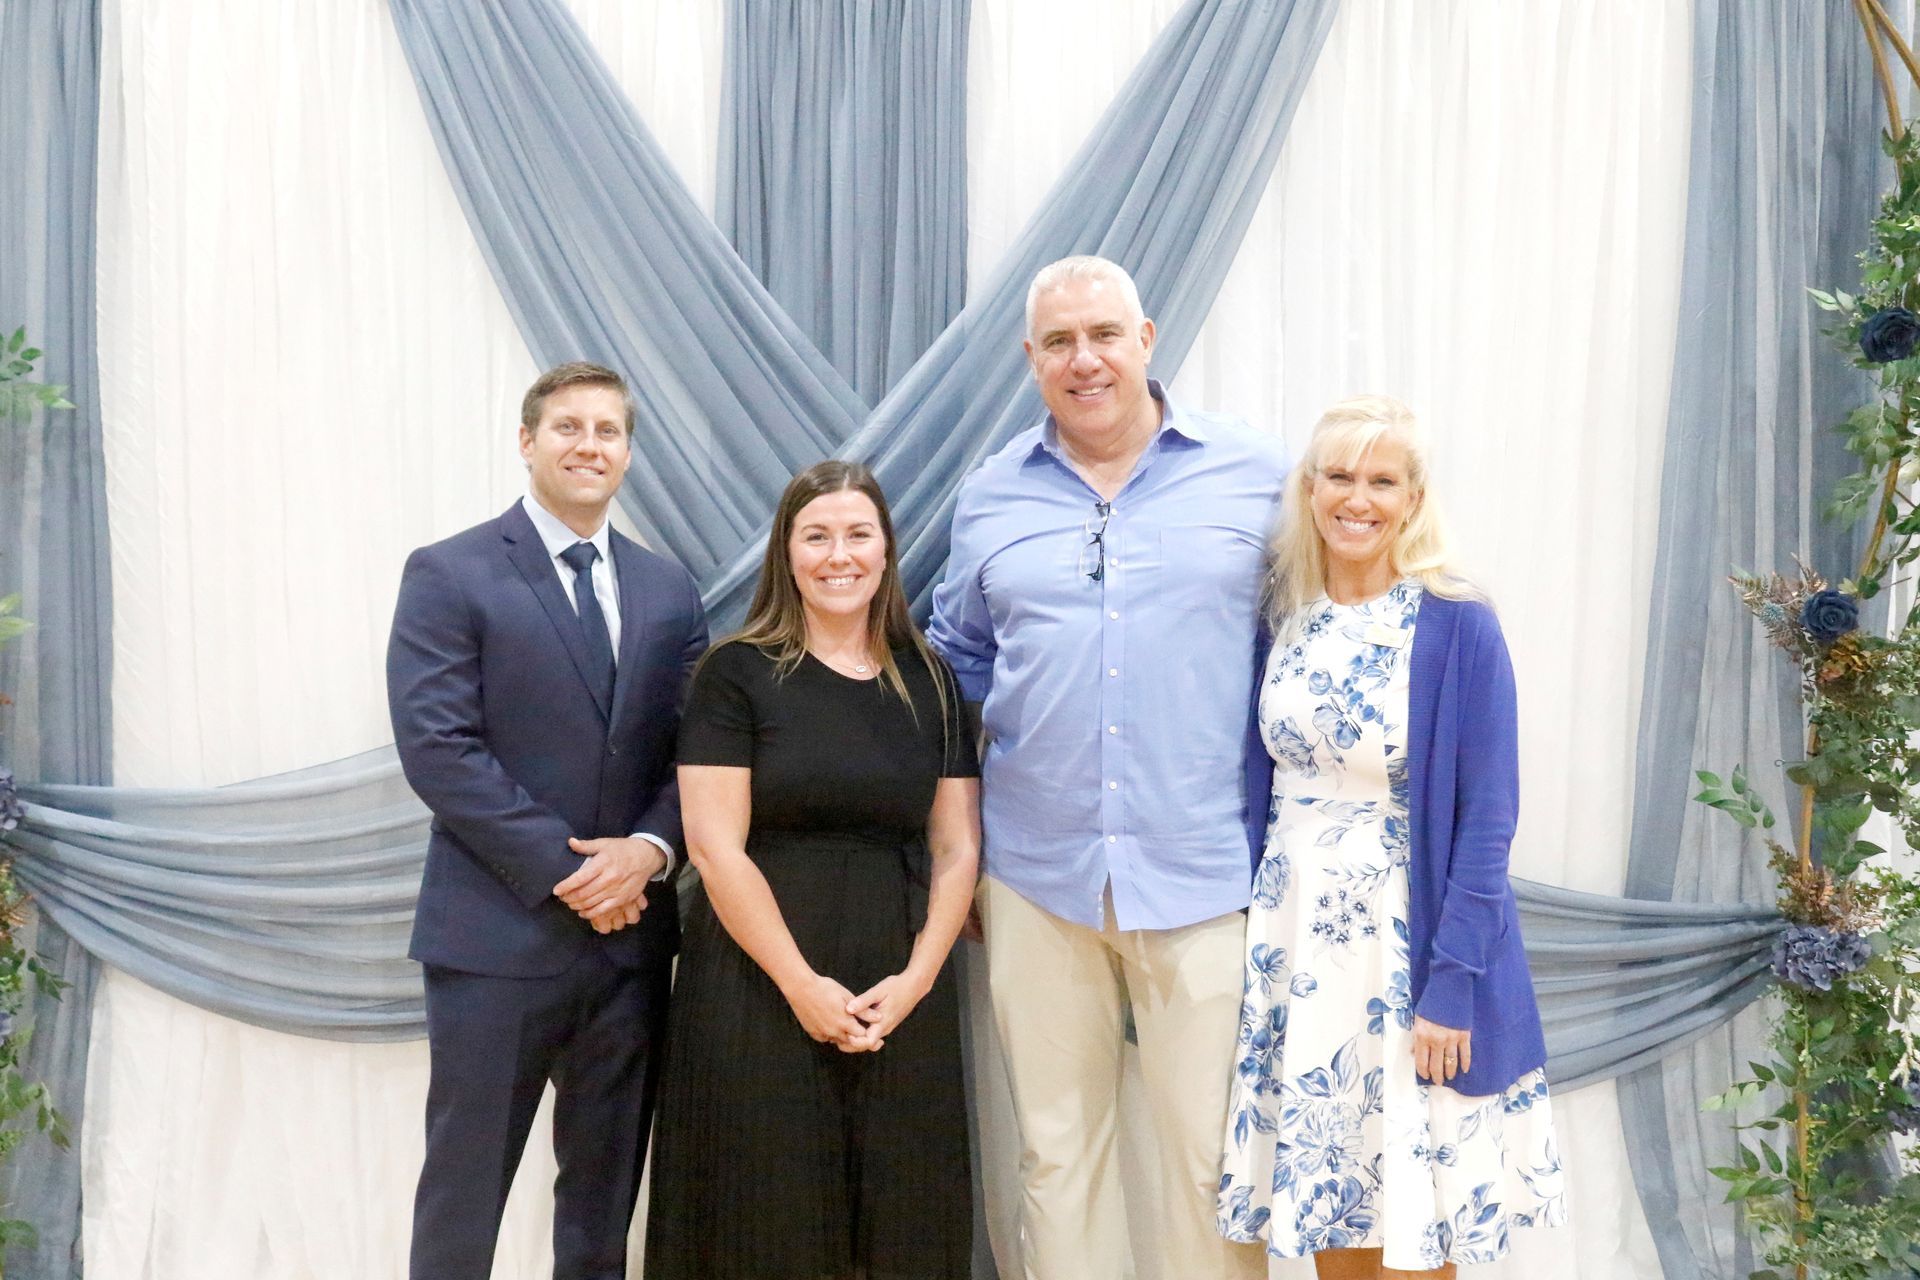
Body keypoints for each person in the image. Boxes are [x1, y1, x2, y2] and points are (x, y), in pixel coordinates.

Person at [928, 254, 1287, 1280]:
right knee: (1055, 1153)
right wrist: (961, 853)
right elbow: (958, 666)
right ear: (1031, 359)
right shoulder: (990, 494)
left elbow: (1301, 643)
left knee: (1212, 1159)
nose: (1083, 359)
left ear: (1146, 339)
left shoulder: (1257, 473)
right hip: (1037, 876)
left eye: (1102, 335)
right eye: (1058, 342)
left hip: (1210, 871)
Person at [1215, 395, 1566, 1278]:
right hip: (1295, 948)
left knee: (1416, 1212)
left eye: (1382, 479)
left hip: (1405, 947)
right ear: (1308, 488)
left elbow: (1490, 820)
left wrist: (1451, 985)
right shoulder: (1279, 618)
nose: (1357, 498)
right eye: (1338, 476)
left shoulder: (1457, 623)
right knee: (1335, 1203)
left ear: (1413, 498)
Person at [386, 361, 706, 1280]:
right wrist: (580, 877)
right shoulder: (451, 572)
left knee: (603, 1204)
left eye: (608, 431)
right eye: (568, 427)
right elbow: (439, 751)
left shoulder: (668, 591)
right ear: (527, 441)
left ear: (628, 453)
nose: (589, 446)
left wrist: (646, 854)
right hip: (495, 940)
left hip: (630, 950)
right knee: (463, 1193)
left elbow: (700, 755)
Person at [645, 460, 981, 1280]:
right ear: (786, 554)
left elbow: (958, 847)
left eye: (859, 534)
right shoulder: (736, 672)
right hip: (759, 982)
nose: (840, 555)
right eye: (817, 536)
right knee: (764, 1222)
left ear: (887, 551)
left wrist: (918, 979)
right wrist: (801, 985)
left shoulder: (929, 676)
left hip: (901, 989)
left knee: (907, 1220)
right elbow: (715, 846)